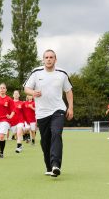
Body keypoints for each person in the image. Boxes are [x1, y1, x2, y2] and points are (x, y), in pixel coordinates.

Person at [24, 49, 73, 177]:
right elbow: (26, 88)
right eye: (46, 57)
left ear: (55, 60)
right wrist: (33, 92)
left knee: (56, 134)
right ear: (43, 59)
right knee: (45, 141)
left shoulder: (62, 73)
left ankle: (56, 164)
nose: (49, 59)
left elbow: (68, 91)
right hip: (42, 113)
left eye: (51, 57)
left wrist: (70, 107)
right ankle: (49, 165)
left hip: (58, 110)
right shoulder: (36, 72)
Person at [0, 83, 15, 158]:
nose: (2, 89)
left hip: (5, 120)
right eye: (1, 88)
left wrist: (10, 116)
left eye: (4, 88)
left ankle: (1, 152)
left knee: (1, 136)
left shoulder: (9, 99)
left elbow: (13, 110)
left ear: (6, 90)